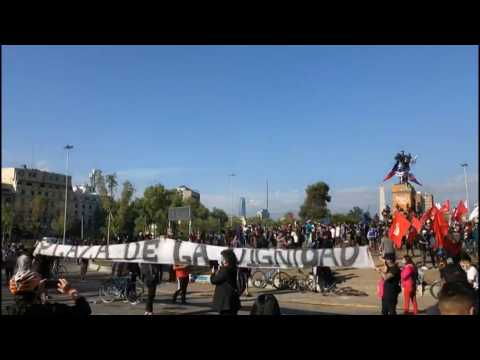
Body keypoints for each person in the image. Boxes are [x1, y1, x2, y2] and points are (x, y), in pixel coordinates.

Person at [6, 272, 91, 316]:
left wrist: (42, 301)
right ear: (36, 289)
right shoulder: (52, 310)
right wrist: (70, 290)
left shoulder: (8, 310)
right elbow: (84, 310)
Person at [210, 249, 241, 315]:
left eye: (222, 258)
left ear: (227, 259)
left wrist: (213, 273)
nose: (221, 259)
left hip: (226, 303)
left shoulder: (225, 270)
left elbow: (214, 280)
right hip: (232, 301)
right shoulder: (233, 267)